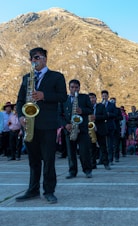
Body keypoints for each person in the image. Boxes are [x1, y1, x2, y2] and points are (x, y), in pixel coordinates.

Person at [15, 47, 67, 204]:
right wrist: (21, 116)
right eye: (32, 58)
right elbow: (19, 101)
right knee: (33, 160)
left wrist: (44, 96)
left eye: (38, 57)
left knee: (49, 159)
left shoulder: (56, 76)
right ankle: (33, 190)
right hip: (30, 124)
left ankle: (49, 191)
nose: (35, 60)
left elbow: (63, 97)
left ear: (45, 59)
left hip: (48, 125)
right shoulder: (26, 78)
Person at [60, 79, 93, 179]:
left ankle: (87, 170)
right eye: (72, 87)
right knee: (71, 152)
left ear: (79, 88)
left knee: (84, 152)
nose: (74, 89)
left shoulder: (84, 97)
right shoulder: (64, 99)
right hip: (69, 129)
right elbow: (59, 115)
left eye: (76, 87)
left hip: (82, 129)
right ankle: (72, 171)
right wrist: (66, 125)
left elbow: (91, 109)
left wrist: (82, 110)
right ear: (69, 88)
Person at [88, 92, 111, 170]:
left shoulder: (101, 106)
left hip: (100, 129)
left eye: (93, 98)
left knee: (103, 147)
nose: (91, 100)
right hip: (90, 130)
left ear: (96, 98)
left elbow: (105, 116)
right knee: (91, 148)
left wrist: (96, 117)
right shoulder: (86, 108)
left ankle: (106, 163)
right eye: (90, 98)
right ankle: (92, 164)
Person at [102, 90, 122, 163]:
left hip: (110, 125)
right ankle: (103, 159)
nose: (104, 97)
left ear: (108, 96)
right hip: (102, 126)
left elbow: (115, 114)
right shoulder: (100, 105)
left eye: (105, 96)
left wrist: (108, 114)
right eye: (103, 96)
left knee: (110, 143)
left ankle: (110, 159)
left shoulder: (111, 105)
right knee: (103, 143)